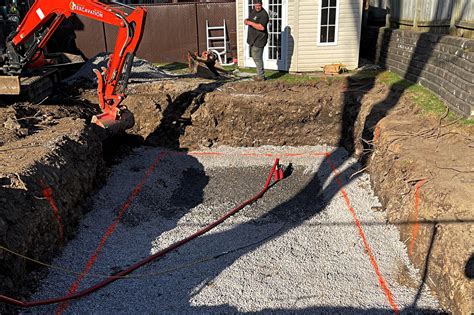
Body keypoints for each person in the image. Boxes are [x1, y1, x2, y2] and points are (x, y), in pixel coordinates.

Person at [244, 0, 269, 81]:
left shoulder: (264, 14)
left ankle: (261, 76)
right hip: (253, 39)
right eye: (256, 5)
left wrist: (250, 23)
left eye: (259, 5)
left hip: (260, 39)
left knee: (257, 57)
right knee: (255, 57)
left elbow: (261, 27)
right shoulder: (253, 11)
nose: (258, 7)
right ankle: (259, 74)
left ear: (262, 5)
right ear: (254, 5)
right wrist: (246, 20)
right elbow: (251, 19)